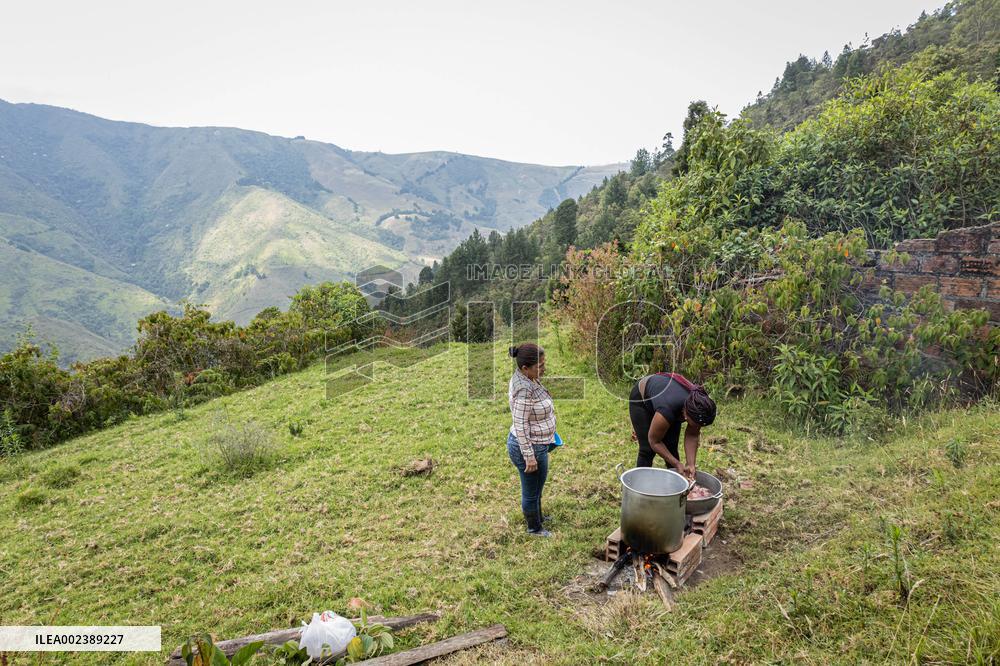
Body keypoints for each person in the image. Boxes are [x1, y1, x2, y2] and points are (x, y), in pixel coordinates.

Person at [507, 343, 556, 537]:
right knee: (531, 489)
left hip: (538, 443)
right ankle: (534, 528)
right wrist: (529, 456)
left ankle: (539, 517)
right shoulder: (524, 389)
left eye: (544, 364)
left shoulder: (528, 378)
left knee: (537, 485)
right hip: (529, 447)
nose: (544, 369)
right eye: (540, 366)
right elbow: (520, 425)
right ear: (525, 368)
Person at [628, 372, 716, 479]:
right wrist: (677, 464)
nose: (696, 428)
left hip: (667, 398)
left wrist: (690, 464)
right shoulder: (668, 409)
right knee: (647, 449)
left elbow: (692, 435)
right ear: (686, 414)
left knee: (671, 448)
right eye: (694, 424)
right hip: (642, 398)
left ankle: (674, 488)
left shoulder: (699, 405)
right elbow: (654, 441)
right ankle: (639, 486)